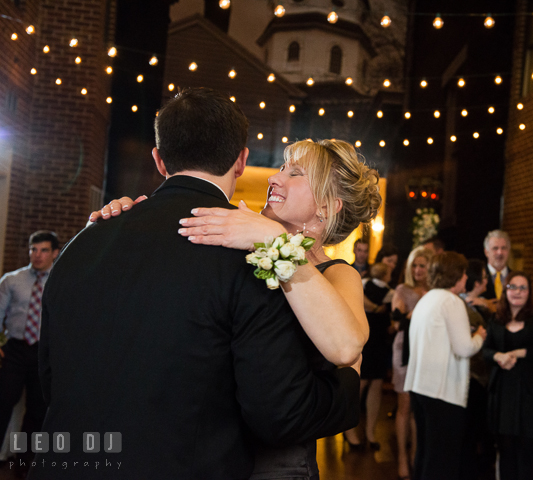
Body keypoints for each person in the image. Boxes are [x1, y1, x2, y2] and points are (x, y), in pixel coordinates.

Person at [35, 88, 365, 479]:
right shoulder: (238, 245)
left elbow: (343, 349)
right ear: (241, 161)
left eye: (295, 172)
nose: (276, 177)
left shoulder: (300, 262)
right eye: (282, 167)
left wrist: (273, 243)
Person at [404, 252, 487, 480]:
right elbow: (464, 348)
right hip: (442, 392)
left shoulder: (428, 298)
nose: (465, 279)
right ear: (456, 276)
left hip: (420, 387)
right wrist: (479, 336)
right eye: (463, 274)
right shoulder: (451, 301)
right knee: (442, 461)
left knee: (426, 454)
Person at [483, 272, 533, 480]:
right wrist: (498, 355)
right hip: (503, 391)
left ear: (529, 292)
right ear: (505, 291)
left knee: (527, 451)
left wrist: (521, 352)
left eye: (523, 288)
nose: (517, 292)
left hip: (530, 393)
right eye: (512, 287)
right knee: (506, 451)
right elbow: (485, 350)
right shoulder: (496, 318)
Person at [0, 231, 59, 473]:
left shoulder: (60, 281)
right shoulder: (11, 280)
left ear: (55, 253)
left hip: (42, 355)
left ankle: (25, 463)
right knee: (3, 403)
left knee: (37, 410)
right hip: (14, 350)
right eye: (33, 249)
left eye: (44, 250)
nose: (37, 255)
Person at [390, 246, 432, 480]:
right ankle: (402, 459)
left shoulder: (435, 290)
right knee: (405, 405)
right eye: (414, 265)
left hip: (427, 350)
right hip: (405, 349)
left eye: (422, 265)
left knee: (420, 407)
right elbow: (397, 321)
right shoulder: (402, 289)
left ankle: (417, 455)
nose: (417, 270)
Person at [459, 259, 495, 480]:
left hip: (479, 375)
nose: (486, 282)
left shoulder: (480, 304)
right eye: (483, 277)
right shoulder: (464, 306)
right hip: (471, 374)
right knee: (471, 430)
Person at [354, 262, 393, 450]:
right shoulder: (364, 283)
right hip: (365, 340)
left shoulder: (389, 291)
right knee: (360, 383)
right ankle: (350, 431)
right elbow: (359, 301)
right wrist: (377, 309)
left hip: (378, 342)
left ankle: (370, 432)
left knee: (375, 384)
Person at [481, 230, 512, 312]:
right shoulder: (477, 277)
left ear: (508, 251)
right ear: (486, 252)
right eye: (495, 248)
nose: (500, 252)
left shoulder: (516, 278)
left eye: (503, 248)